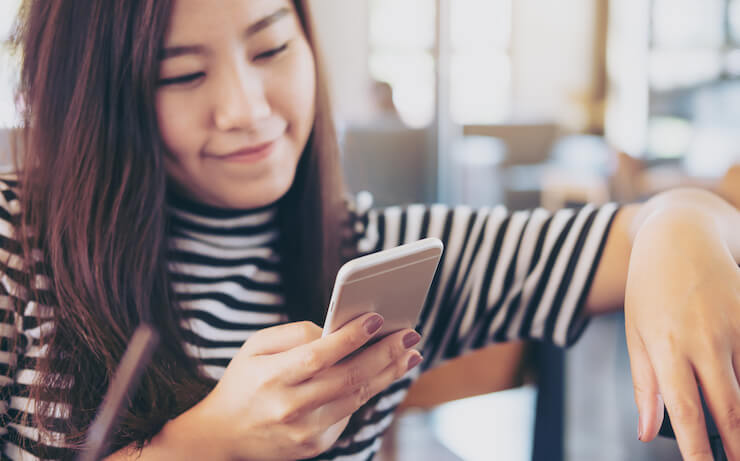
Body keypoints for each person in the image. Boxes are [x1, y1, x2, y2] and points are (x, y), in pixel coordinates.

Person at [1, 1, 738, 460]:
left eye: (271, 49)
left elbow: (637, 232)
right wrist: (207, 443)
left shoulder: (383, 259)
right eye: (182, 74)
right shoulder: (16, 244)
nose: (247, 108)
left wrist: (685, 219)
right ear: (98, 93)